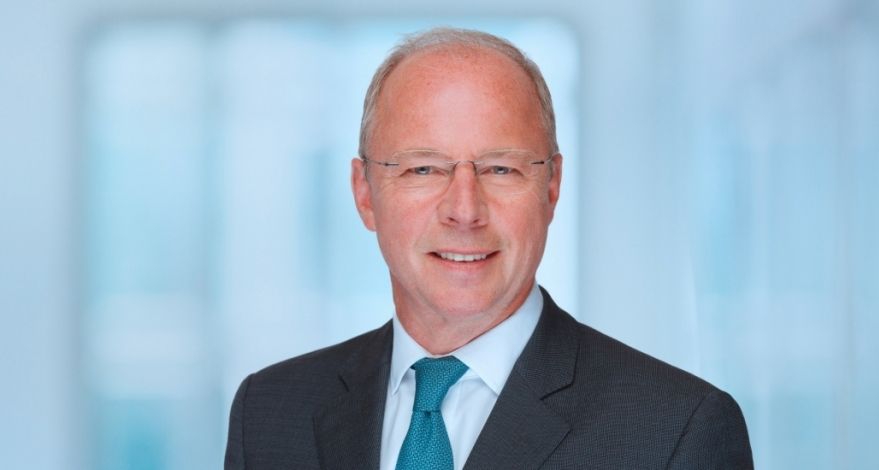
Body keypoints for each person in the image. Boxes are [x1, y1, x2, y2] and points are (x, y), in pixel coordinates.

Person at [225, 27, 753, 469]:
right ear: (365, 194)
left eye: (501, 168)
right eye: (423, 169)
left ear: (551, 187)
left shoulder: (677, 433)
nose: (464, 209)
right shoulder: (269, 414)